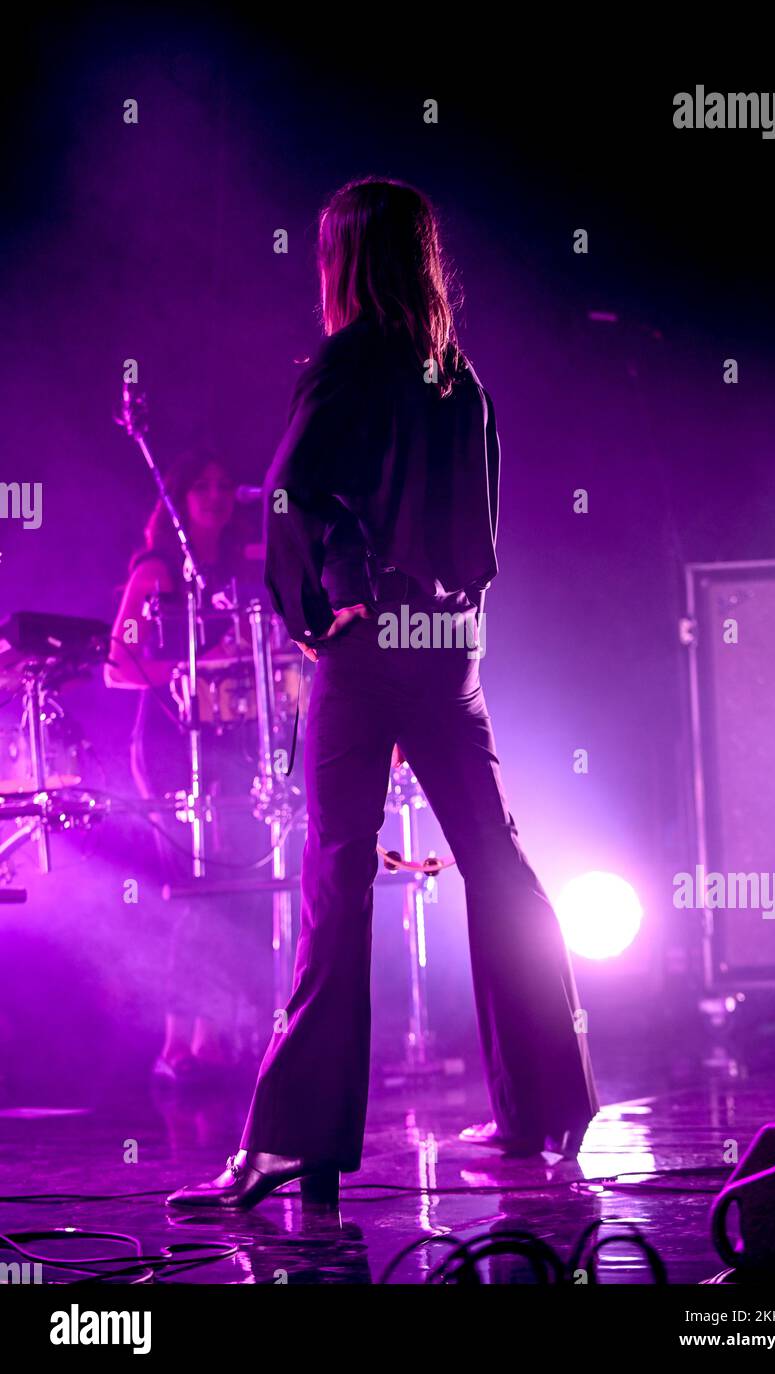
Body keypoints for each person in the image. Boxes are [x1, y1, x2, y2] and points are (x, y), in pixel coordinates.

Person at [168, 177, 599, 1210]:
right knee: (498, 865)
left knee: (336, 881)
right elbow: (483, 547)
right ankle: (549, 1107)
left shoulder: (349, 358)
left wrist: (339, 610)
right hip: (449, 646)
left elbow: (295, 491)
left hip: (371, 651)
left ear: (342, 260)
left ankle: (292, 1145)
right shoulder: (462, 381)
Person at [105, 452, 272, 1086]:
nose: (215, 495)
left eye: (225, 484)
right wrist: (190, 671)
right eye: (200, 485)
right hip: (171, 743)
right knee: (192, 887)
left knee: (230, 889)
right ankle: (179, 1040)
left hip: (231, 740)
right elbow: (116, 665)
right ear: (176, 495)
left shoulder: (238, 568)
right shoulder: (157, 568)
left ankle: (210, 1037)